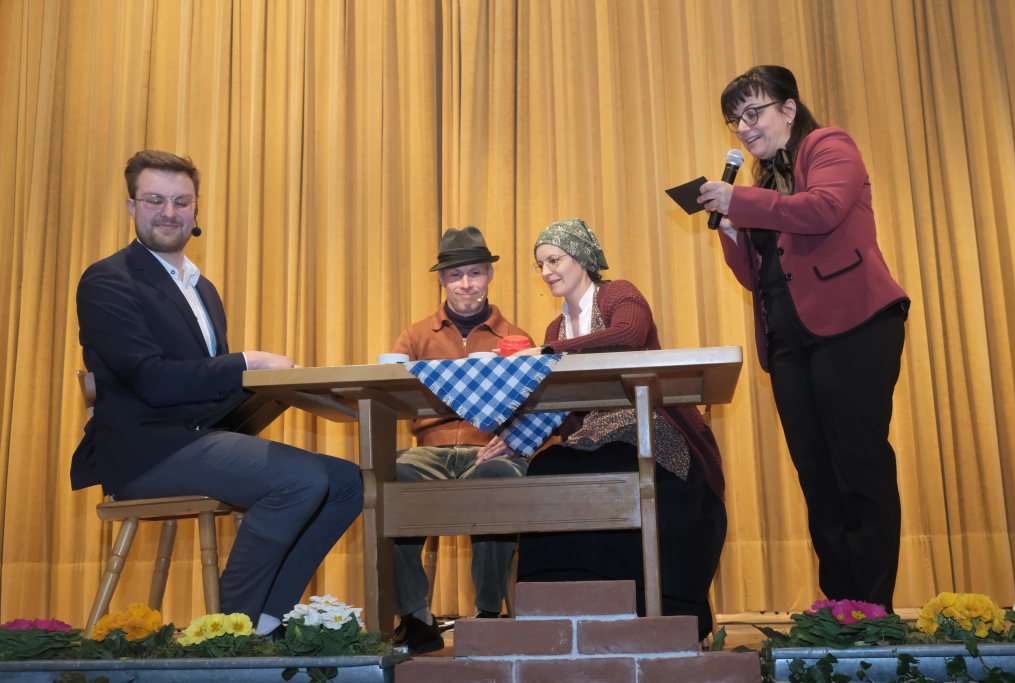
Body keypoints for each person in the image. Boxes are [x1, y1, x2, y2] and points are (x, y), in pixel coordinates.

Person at [70, 150, 363, 635]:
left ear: (195, 209)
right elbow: (152, 380)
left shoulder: (202, 288)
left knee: (348, 481)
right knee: (299, 480)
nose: (169, 212)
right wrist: (248, 363)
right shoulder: (108, 280)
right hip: (145, 451)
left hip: (199, 438)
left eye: (181, 201)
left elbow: (206, 386)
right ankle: (229, 629)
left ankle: (268, 622)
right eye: (155, 200)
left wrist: (277, 390)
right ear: (131, 206)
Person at [697, 65, 909, 610]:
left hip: (854, 326)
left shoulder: (828, 146)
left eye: (753, 112)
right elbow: (757, 277)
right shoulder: (764, 188)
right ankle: (840, 602)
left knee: (858, 463)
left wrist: (739, 201)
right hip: (789, 343)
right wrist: (731, 232)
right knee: (815, 473)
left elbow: (825, 209)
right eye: (735, 120)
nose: (744, 128)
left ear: (789, 109)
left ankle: (873, 604)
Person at [513, 218, 727, 641]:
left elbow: (629, 335)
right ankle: (562, 609)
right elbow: (562, 405)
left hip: (652, 425)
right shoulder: (555, 328)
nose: (547, 272)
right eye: (541, 265)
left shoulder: (618, 294)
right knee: (547, 467)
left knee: (616, 463)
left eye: (555, 260)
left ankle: (651, 606)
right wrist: (514, 439)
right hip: (591, 435)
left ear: (582, 258)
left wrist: (550, 352)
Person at [390, 226, 533, 655]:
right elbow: (390, 394)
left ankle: (489, 614)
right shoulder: (415, 336)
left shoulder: (516, 338)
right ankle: (415, 617)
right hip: (428, 451)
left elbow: (534, 404)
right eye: (456, 275)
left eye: (474, 273)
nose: (466, 284)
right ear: (442, 280)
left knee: (499, 480)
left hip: (489, 448)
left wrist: (511, 439)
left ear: (490, 274)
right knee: (388, 480)